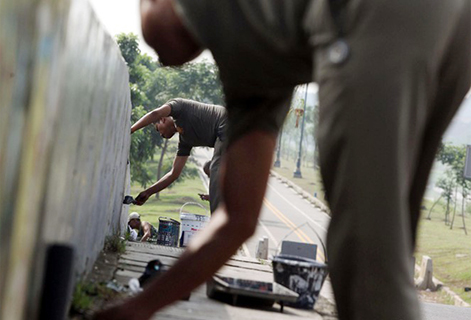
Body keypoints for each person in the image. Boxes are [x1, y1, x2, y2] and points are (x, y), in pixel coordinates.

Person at [96, 1, 470, 319]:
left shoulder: (219, 26)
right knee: (389, 244)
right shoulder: (254, 69)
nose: (163, 57)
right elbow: (237, 221)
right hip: (454, 21)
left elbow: (165, 36)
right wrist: (138, 308)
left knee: (362, 258)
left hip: (378, 18)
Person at [131, 98, 226, 213]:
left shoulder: (179, 107)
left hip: (228, 123)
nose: (160, 134)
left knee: (216, 167)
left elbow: (155, 113)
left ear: (163, 119)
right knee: (210, 168)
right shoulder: (185, 140)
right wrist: (148, 192)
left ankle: (218, 223)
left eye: (158, 129)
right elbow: (174, 174)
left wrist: (130, 130)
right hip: (230, 137)